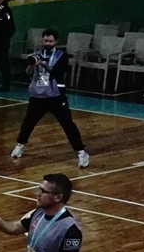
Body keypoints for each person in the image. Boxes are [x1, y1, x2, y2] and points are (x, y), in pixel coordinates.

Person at [10, 29, 90, 168]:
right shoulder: (36, 55)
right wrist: (31, 64)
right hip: (38, 96)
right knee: (28, 122)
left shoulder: (61, 56)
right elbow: (27, 74)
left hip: (55, 96)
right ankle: (20, 144)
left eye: (50, 41)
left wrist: (42, 64)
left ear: (56, 42)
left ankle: (81, 151)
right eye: (46, 41)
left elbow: (57, 72)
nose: (47, 43)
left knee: (68, 124)